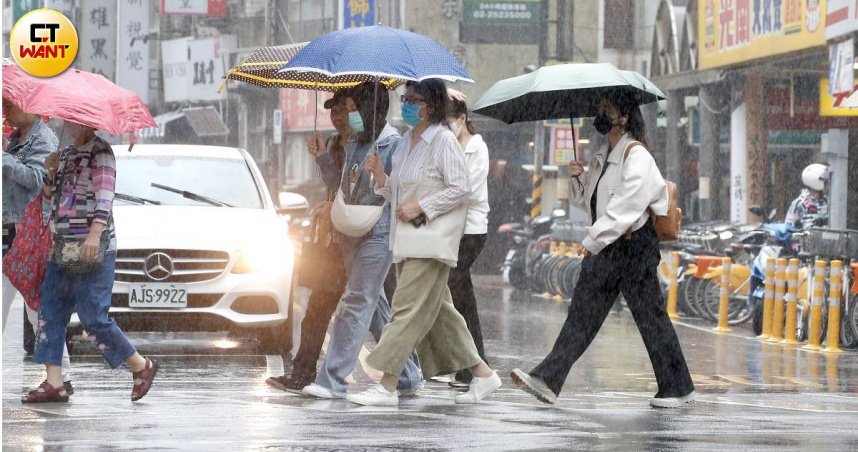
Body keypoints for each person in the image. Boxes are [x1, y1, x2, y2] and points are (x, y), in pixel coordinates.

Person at [510, 92, 696, 409]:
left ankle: (677, 387)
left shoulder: (637, 156)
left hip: (632, 247)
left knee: (650, 319)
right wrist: (579, 178)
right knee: (582, 315)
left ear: (624, 117)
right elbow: (589, 203)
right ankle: (548, 380)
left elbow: (627, 207)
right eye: (601, 108)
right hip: (609, 247)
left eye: (607, 108)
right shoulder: (603, 155)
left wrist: (591, 242)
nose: (601, 113)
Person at [353, 79, 501, 407]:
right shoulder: (406, 141)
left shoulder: (444, 141)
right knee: (438, 314)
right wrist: (380, 178)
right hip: (407, 240)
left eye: (414, 99)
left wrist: (422, 206)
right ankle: (483, 375)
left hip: (430, 242)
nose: (406, 104)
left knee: (405, 309)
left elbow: (460, 187)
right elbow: (400, 193)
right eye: (404, 98)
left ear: (431, 105)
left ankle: (387, 385)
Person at [299, 82, 423, 400]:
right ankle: (408, 373)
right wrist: (323, 159)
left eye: (354, 109)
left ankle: (333, 379)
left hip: (379, 234)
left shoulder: (395, 146)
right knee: (376, 307)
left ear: (370, 110)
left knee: (355, 303)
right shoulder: (355, 143)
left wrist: (381, 177)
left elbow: (405, 194)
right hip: (351, 235)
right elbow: (343, 185)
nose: (350, 115)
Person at [23, 121, 157, 403]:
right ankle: (55, 383)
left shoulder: (101, 152)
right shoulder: (67, 153)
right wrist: (50, 171)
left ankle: (140, 365)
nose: (68, 124)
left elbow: (105, 197)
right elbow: (49, 198)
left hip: (92, 247)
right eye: (67, 119)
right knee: (50, 310)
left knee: (93, 318)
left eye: (74, 119)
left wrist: (95, 234)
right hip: (62, 245)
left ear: (87, 121)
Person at [266, 89, 353, 392]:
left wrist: (323, 160)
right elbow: (331, 186)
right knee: (316, 310)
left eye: (344, 110)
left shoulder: (361, 145)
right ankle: (302, 373)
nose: (338, 117)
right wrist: (322, 156)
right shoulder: (332, 143)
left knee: (375, 314)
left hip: (358, 241)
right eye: (334, 111)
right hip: (330, 241)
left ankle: (406, 372)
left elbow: (344, 185)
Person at [1, 99, 75, 394]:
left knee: (37, 308)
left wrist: (3, 160)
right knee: (33, 307)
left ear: (30, 107)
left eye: (10, 105)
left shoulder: (42, 138)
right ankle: (62, 376)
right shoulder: (14, 137)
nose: (5, 110)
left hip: (29, 234)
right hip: (12, 231)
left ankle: (62, 376)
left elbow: (37, 179)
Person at [444, 98, 491, 387]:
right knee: (462, 298)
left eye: (448, 121)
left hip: (471, 231)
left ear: (461, 119)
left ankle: (473, 365)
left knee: (456, 292)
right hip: (451, 230)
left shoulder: (477, 147)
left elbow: (466, 190)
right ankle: (470, 366)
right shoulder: (450, 147)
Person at [785, 163, 829, 230]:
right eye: (825, 182)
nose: (828, 185)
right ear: (816, 182)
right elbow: (788, 227)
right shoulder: (800, 203)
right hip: (805, 240)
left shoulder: (827, 202)